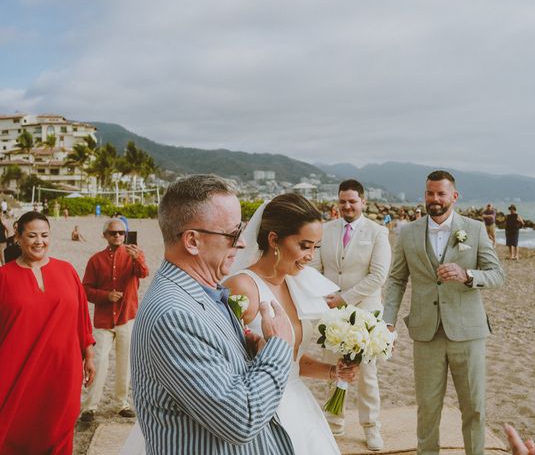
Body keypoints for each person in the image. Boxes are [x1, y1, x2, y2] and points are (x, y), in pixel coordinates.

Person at [128, 174, 296, 454]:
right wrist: (279, 347)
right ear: (192, 241)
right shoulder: (173, 315)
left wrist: (252, 355)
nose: (241, 243)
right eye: (232, 234)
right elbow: (241, 420)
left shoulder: (203, 290)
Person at [225, 193, 359, 454]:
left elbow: (291, 361)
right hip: (257, 411)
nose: (310, 256)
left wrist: (333, 371)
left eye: (315, 247)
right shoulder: (242, 288)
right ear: (274, 239)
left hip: (298, 404)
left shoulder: (296, 283)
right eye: (304, 245)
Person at [383, 170, 505, 455]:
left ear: (454, 196)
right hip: (426, 333)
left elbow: (497, 274)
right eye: (430, 193)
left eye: (441, 193)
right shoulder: (408, 232)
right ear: (424, 195)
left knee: (474, 407)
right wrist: (387, 321)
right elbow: (397, 280)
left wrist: (467, 274)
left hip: (468, 333)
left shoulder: (474, 229)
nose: (434, 199)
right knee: (427, 408)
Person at [0, 211, 95, 454]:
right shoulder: (4, 276)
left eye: (44, 235)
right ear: (18, 237)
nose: (39, 241)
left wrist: (90, 356)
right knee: (12, 433)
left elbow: (82, 317)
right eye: (31, 235)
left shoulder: (67, 271)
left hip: (63, 370)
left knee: (59, 431)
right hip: (16, 371)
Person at [311, 179, 392, 451]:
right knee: (335, 369)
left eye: (352, 201)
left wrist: (345, 298)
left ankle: (371, 427)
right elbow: (315, 267)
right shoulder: (326, 230)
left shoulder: (378, 232)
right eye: (343, 201)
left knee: (367, 374)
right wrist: (325, 297)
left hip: (365, 313)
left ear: (363, 202)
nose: (347, 206)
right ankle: (334, 423)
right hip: (330, 312)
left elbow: (378, 275)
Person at [80, 218, 149, 422]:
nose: (117, 235)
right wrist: (105, 295)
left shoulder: (134, 255)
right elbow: (85, 290)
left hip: (127, 316)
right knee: (98, 362)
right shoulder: (95, 260)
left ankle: (121, 404)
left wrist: (139, 259)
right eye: (113, 233)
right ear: (105, 236)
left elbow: (144, 273)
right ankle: (89, 407)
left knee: (125, 363)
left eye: (121, 232)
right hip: (103, 319)